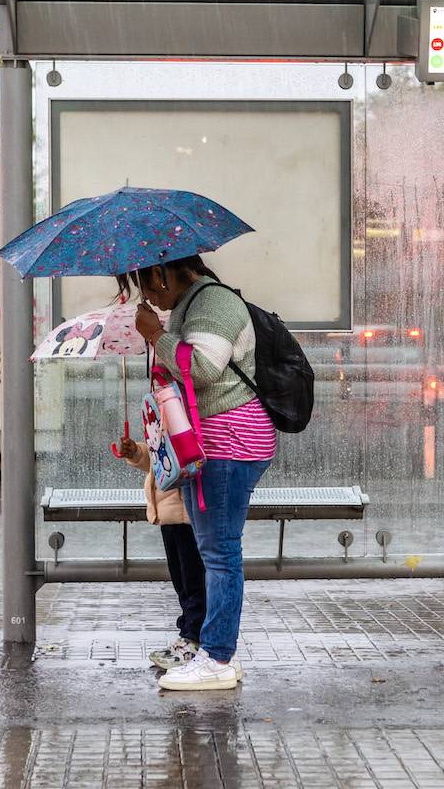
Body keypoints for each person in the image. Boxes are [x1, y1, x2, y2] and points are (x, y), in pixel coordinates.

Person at [120, 255, 275, 690]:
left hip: (231, 442)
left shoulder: (215, 303)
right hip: (216, 445)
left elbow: (204, 368)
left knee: (221, 553)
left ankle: (218, 658)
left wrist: (156, 335)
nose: (148, 297)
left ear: (160, 272)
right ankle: (213, 651)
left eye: (146, 286)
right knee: (214, 551)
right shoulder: (192, 305)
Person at [111, 434, 205, 671]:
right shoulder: (161, 415)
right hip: (168, 511)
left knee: (193, 580)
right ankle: (187, 633)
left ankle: (194, 637)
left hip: (186, 511)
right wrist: (136, 453)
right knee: (182, 581)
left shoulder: (181, 414)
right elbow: (158, 460)